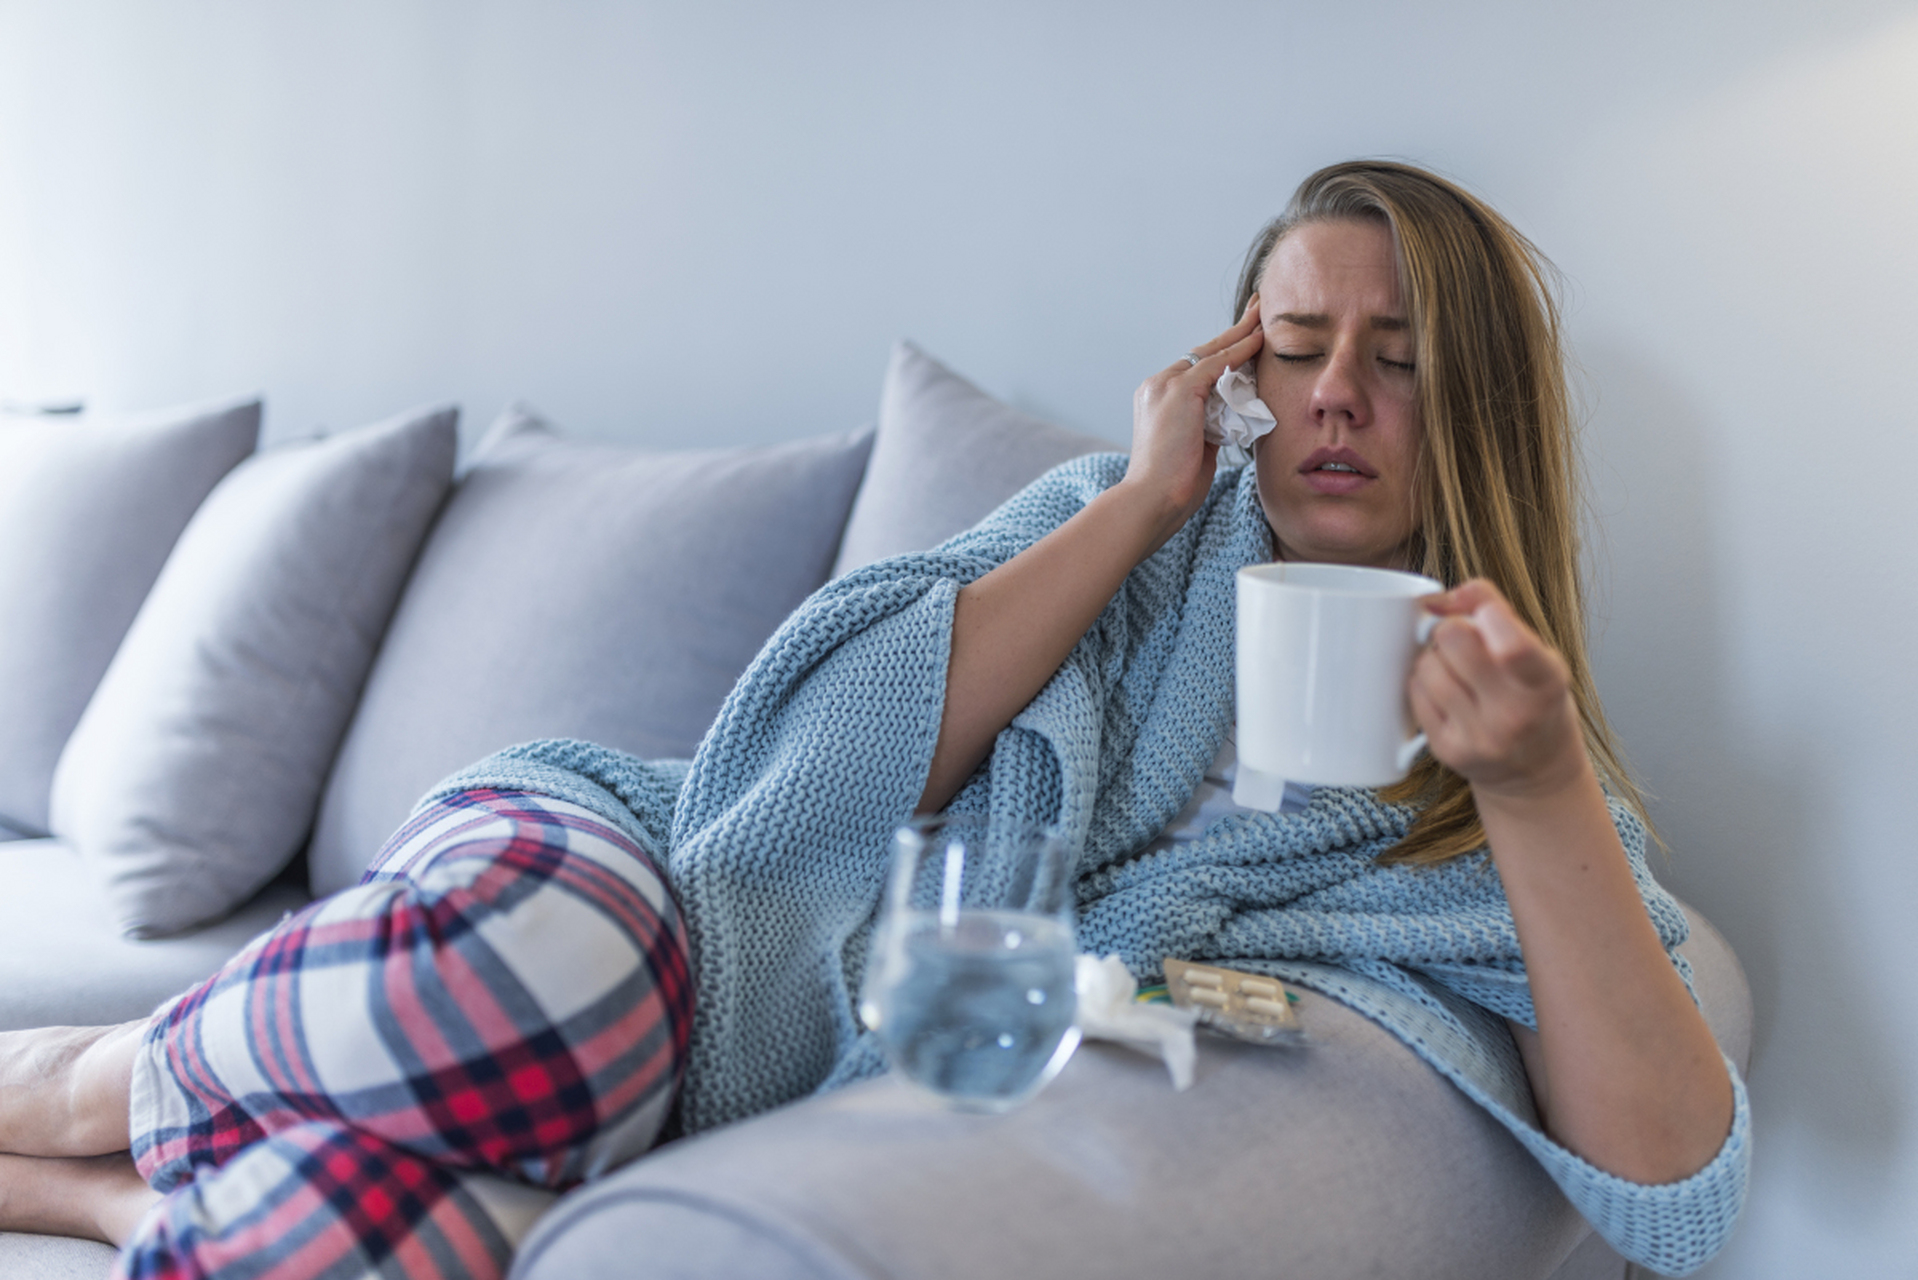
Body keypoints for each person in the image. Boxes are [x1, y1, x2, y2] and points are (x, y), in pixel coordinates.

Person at [0, 160, 1747, 1278]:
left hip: (698, 1107)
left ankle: (90, 1195)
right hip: (635, 894)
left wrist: (1524, 792)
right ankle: (81, 1079)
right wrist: (1133, 508)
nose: (1339, 396)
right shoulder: (1110, 531)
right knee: (535, 982)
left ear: (1486, 406)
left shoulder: (1513, 760)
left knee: (370, 1252)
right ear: (1238, 370)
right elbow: (794, 772)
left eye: (1402, 354)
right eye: (1296, 342)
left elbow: (1674, 1191)